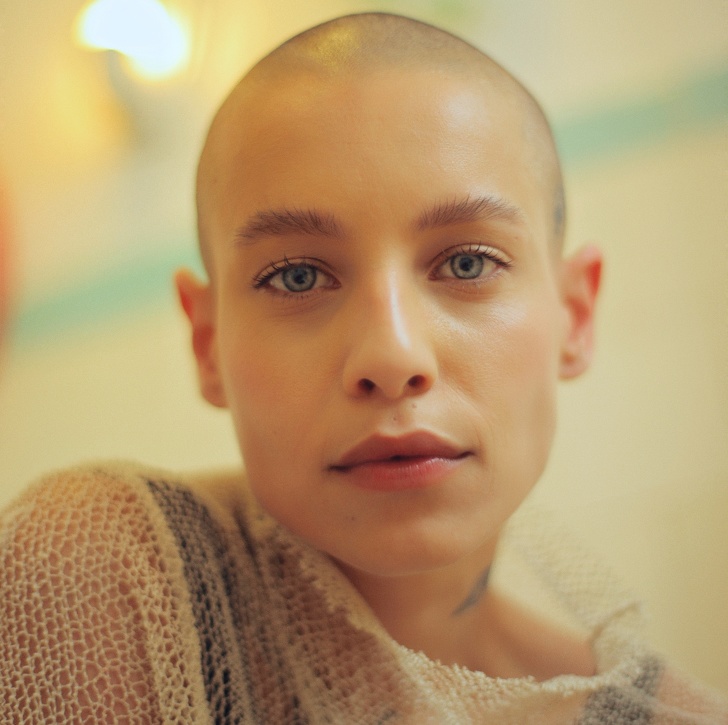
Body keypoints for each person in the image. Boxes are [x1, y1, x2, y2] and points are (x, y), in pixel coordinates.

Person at [1, 12, 725, 724]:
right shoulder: (106, 572)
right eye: (297, 277)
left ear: (576, 315)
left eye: (467, 263)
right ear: (207, 342)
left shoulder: (668, 716)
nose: (393, 356)